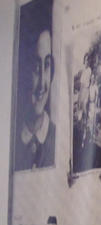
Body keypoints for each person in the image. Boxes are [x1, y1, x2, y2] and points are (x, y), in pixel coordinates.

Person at [15, 13, 55, 171]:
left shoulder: (58, 139)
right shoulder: (11, 142)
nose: (42, 84)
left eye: (47, 65)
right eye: (36, 67)